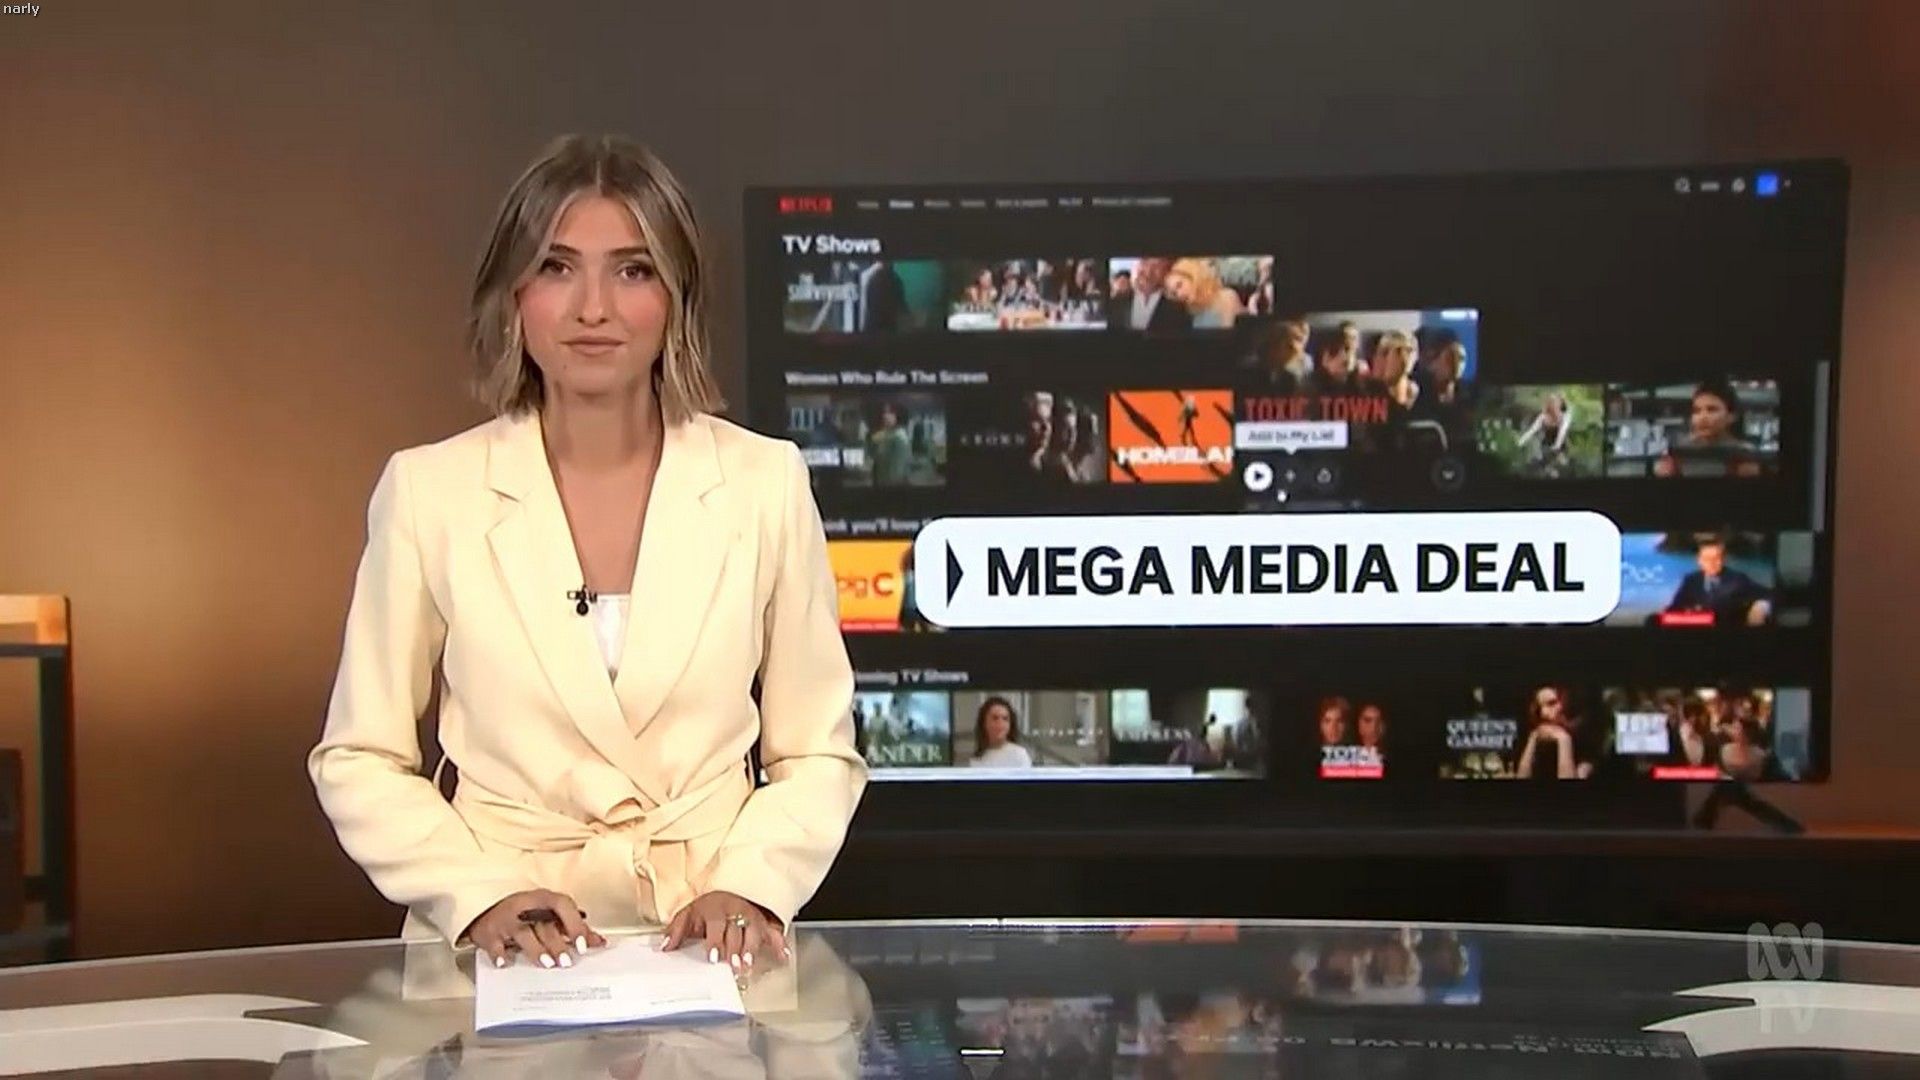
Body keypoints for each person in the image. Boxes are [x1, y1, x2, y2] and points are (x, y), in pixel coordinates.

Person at [308, 134, 868, 975]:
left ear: (676, 297)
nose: (593, 308)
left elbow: (817, 752)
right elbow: (360, 757)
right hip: (501, 955)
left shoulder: (764, 483)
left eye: (633, 271)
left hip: (708, 944)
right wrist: (477, 894)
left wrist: (749, 888)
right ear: (513, 294)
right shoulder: (431, 492)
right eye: (557, 268)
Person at [1654, 378, 1763, 478]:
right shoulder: (1680, 450)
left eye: (1712, 409)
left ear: (1731, 416)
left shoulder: (1743, 453)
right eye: (1696, 411)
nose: (1702, 418)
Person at [1665, 535, 1773, 626]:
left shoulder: (1737, 580)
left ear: (1724, 559)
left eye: (1716, 558)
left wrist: (1762, 606)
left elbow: (1769, 594)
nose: (1711, 563)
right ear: (1699, 561)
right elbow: (1674, 608)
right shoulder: (1691, 580)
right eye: (1707, 559)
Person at [969, 696, 1034, 768]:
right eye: (995, 718)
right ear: (984, 723)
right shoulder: (976, 758)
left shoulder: (1020, 755)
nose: (1000, 723)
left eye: (1005, 719)